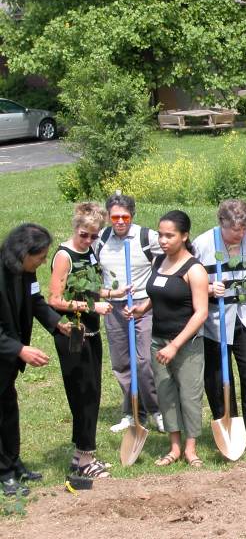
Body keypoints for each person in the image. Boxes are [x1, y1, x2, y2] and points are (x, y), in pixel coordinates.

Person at [49, 202, 127, 478]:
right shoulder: (64, 256)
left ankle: (84, 455)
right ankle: (83, 459)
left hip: (91, 333)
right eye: (85, 234)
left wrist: (113, 294)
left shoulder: (90, 252)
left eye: (95, 235)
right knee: (82, 394)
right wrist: (90, 308)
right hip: (73, 334)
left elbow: (90, 290)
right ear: (75, 228)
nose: (89, 240)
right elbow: (55, 300)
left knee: (92, 393)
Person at [126, 210, 208, 466]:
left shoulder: (194, 270)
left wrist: (175, 345)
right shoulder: (158, 261)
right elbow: (160, 293)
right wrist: (142, 308)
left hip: (186, 345)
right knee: (166, 394)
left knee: (189, 395)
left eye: (169, 235)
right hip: (158, 341)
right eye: (160, 234)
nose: (163, 240)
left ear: (184, 236)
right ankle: (174, 447)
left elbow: (201, 313)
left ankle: (191, 449)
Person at [194, 199, 246, 455]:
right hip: (214, 322)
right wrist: (206, 288)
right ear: (222, 224)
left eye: (244, 229)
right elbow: (187, 281)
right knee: (218, 378)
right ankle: (228, 428)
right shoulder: (202, 245)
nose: (240, 235)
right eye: (234, 231)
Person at [0, 224, 69, 496]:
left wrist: (57, 323)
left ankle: (13, 462)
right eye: (40, 257)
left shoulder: (26, 273)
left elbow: (36, 301)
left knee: (9, 411)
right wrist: (20, 349)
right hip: (6, 350)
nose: (42, 262)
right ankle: (4, 474)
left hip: (7, 359)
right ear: (22, 252)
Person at [95, 192, 163, 434]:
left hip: (142, 306)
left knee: (144, 362)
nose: (120, 221)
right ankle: (132, 412)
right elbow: (94, 271)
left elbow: (168, 260)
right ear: (109, 217)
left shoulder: (148, 237)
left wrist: (153, 290)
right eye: (115, 217)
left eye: (125, 216)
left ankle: (156, 410)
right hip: (114, 307)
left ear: (132, 216)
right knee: (122, 363)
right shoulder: (101, 238)